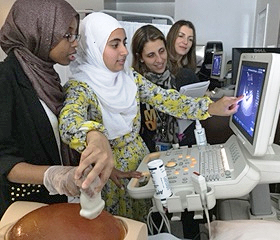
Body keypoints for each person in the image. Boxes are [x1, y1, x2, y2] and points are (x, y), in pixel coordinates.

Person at [58, 12, 242, 221]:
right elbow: (69, 121)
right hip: (110, 172)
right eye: (115, 44)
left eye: (124, 43)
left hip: (142, 162)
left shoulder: (129, 78)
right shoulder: (79, 87)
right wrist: (93, 134)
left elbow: (167, 99)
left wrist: (211, 107)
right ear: (93, 46)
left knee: (149, 221)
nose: (124, 51)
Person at [0, 0, 113, 218]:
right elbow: (3, 157)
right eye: (66, 35)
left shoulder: (47, 76)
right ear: (39, 30)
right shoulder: (6, 78)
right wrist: (52, 175)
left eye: (75, 35)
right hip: (25, 207)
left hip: (58, 203)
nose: (74, 43)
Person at [131, 25, 179, 152]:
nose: (159, 59)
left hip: (177, 149)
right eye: (151, 55)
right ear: (140, 57)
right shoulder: (134, 88)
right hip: (147, 153)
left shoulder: (178, 78)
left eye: (162, 51)